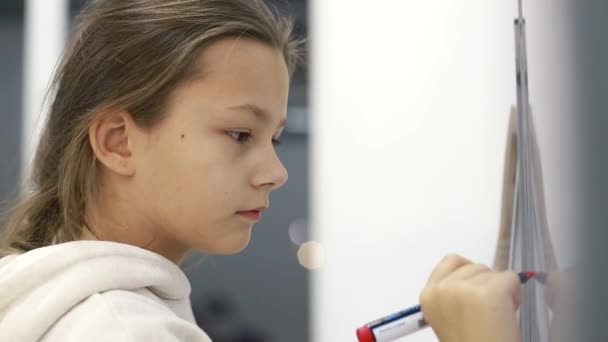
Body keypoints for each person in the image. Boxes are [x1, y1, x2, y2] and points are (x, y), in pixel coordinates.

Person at [0, 0, 530, 341]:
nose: (275, 171)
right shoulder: (119, 330)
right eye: (239, 134)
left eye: (273, 138)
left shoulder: (68, 308)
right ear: (118, 142)